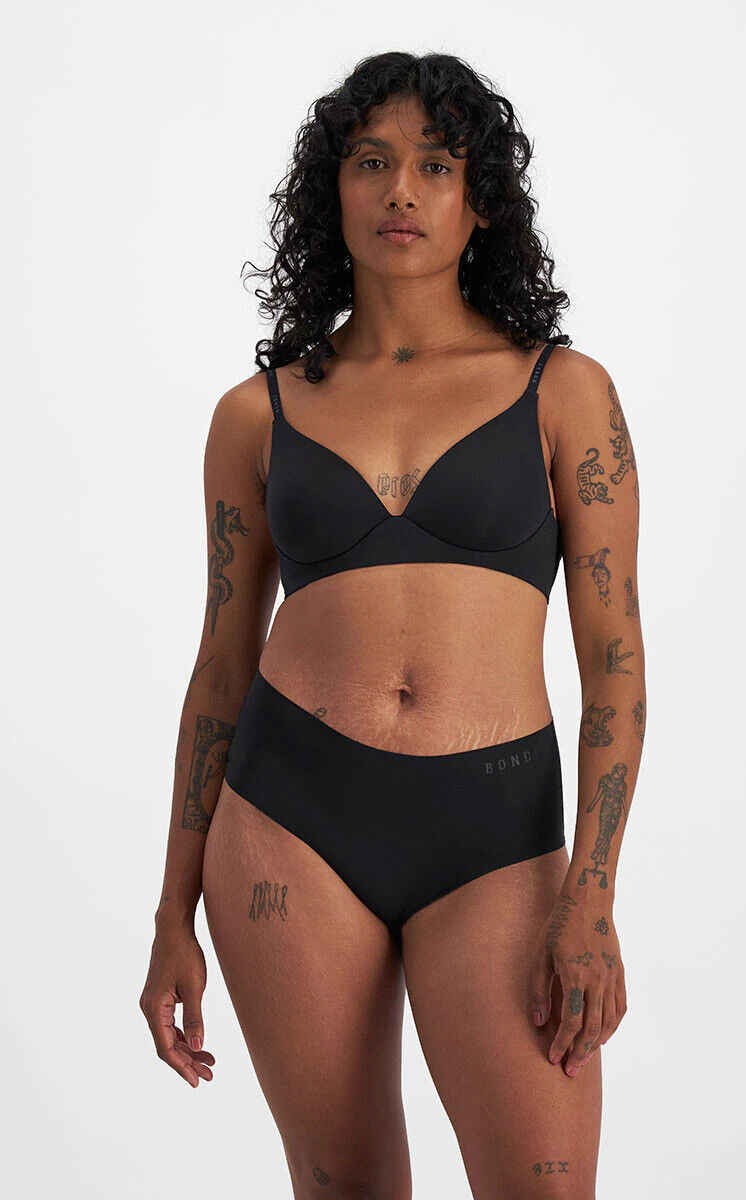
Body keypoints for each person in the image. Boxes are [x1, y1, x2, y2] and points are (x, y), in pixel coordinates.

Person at [140, 50, 645, 1200]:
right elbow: (219, 671)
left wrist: (592, 895)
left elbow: (614, 668)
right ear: (333, 190)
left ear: (479, 202)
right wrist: (173, 913)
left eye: (435, 165)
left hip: (496, 838)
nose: (401, 191)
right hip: (288, 825)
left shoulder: (562, 391)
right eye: (370, 163)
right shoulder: (255, 415)